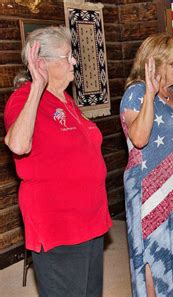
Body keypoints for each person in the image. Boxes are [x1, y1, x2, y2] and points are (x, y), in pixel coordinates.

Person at [4, 26, 112, 296]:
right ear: (42, 62)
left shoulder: (66, 100)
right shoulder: (23, 99)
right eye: (67, 57)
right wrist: (37, 87)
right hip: (59, 226)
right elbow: (17, 144)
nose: (74, 62)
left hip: (90, 221)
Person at [120, 33, 173, 296]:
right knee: (154, 254)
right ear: (153, 64)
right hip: (149, 191)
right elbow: (139, 139)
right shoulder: (136, 94)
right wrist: (151, 95)